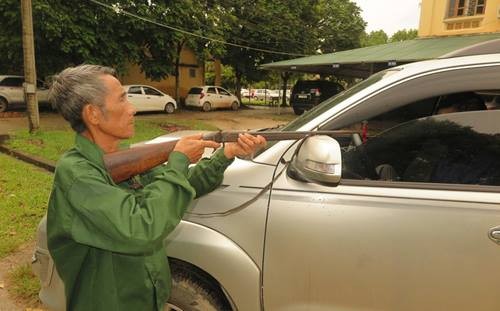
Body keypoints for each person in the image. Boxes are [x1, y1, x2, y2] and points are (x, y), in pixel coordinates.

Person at [46, 64, 266, 311]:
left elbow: (181, 185)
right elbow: (141, 229)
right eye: (122, 100)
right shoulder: (77, 174)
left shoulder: (125, 160)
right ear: (93, 114)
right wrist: (179, 158)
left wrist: (226, 153)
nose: (132, 109)